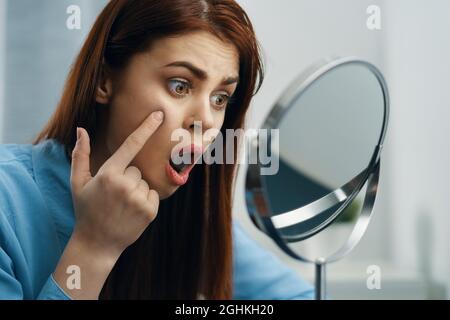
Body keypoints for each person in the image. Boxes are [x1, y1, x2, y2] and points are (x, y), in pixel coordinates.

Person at [0, 0, 314, 300]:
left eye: (220, 98)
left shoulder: (188, 215)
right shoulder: (7, 201)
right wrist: (95, 247)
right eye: (180, 85)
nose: (206, 120)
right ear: (104, 81)